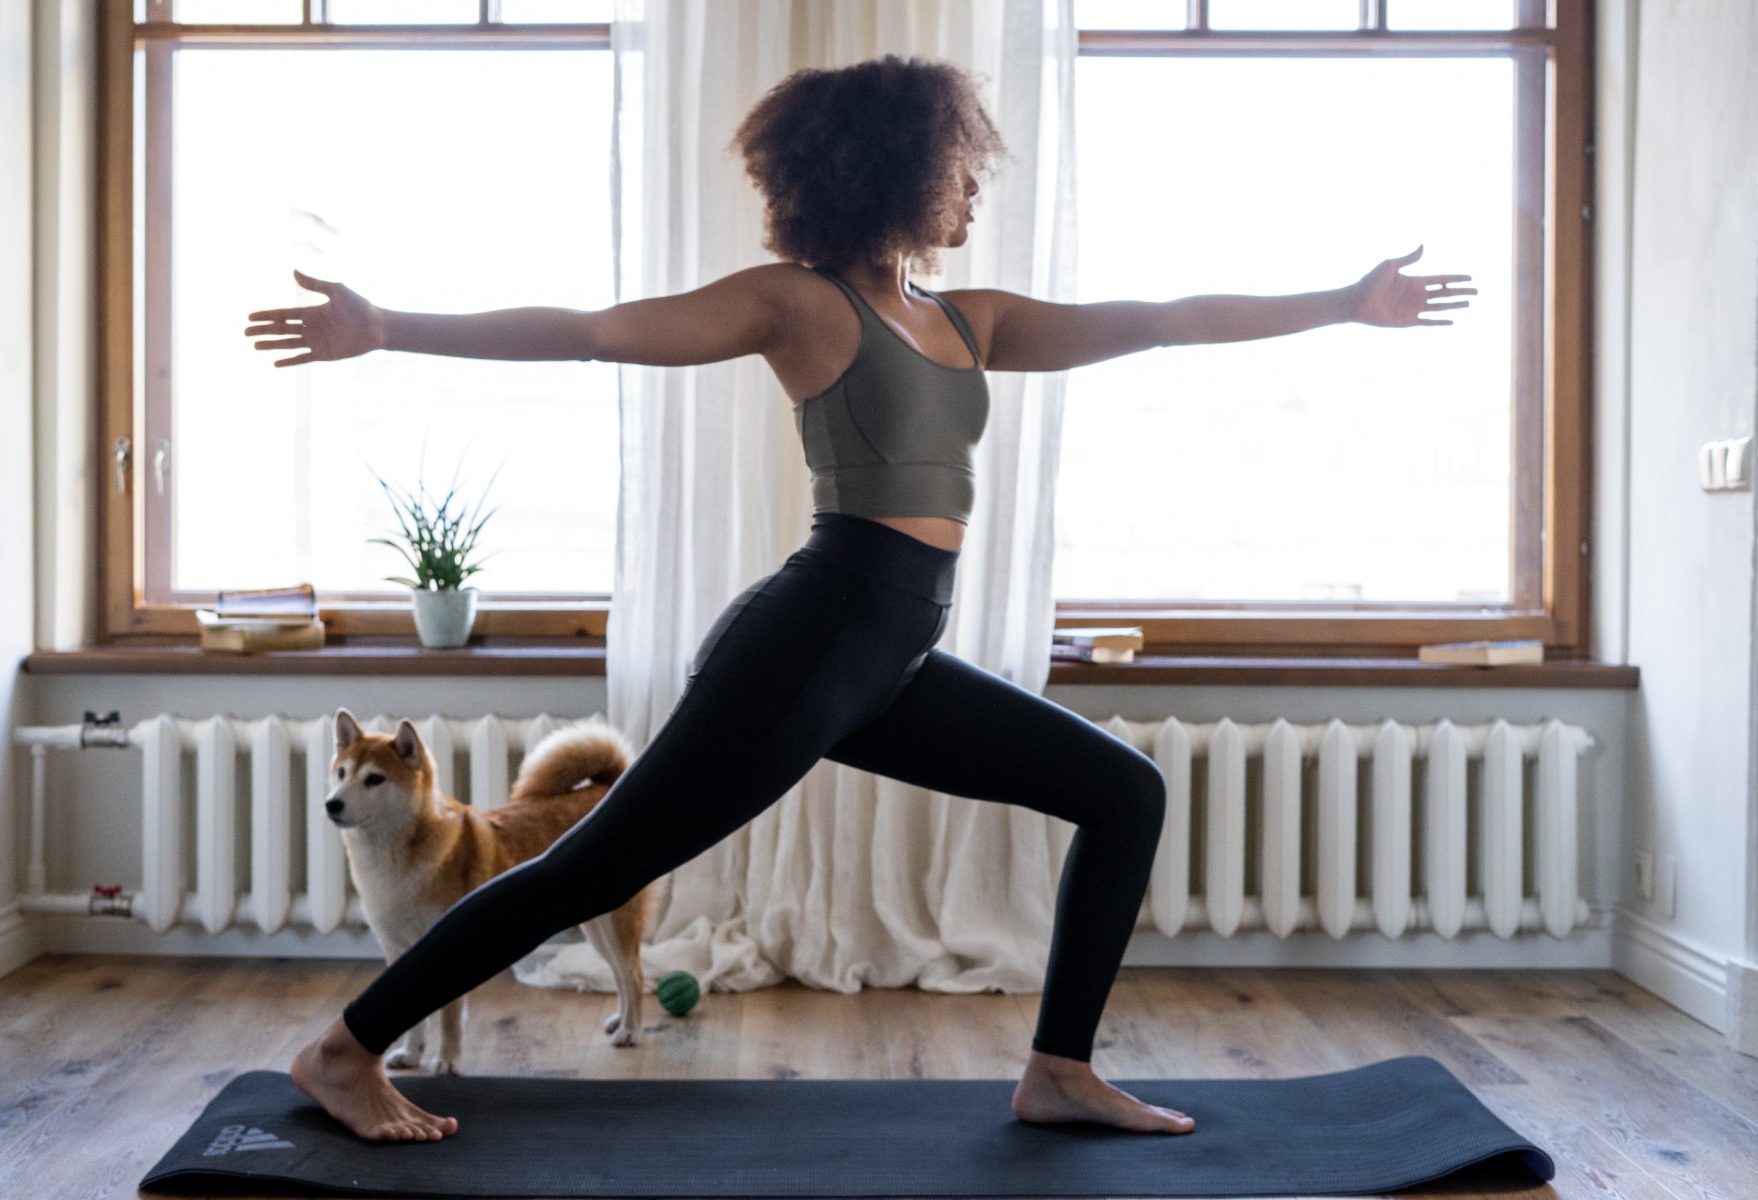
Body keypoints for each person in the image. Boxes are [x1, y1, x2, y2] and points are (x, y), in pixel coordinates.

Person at [245, 55, 1472, 1144]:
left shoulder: (962, 318)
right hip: (812, 637)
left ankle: (1058, 1069)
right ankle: (343, 1053)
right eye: (959, 168)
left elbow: (1155, 321)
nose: (975, 191)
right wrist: (388, 325)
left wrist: (1342, 304)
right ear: (895, 170)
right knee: (589, 866)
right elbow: (596, 331)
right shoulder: (797, 304)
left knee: (1121, 791)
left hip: (889, 651)